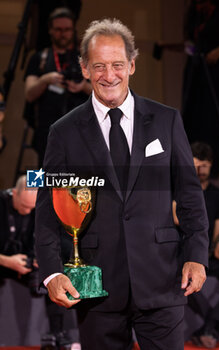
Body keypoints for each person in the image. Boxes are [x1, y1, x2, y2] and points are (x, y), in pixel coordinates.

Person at [35, 18, 209, 350]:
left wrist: (197, 255)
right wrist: (51, 272)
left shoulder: (166, 120)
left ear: (131, 64)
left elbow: (189, 195)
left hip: (163, 282)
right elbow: (47, 210)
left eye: (117, 64)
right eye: (98, 66)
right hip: (97, 288)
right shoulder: (63, 132)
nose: (109, 75)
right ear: (84, 69)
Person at [174, 142, 219, 348]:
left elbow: (217, 229)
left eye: (204, 165)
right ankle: (214, 327)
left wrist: (218, 247)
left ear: (211, 166)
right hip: (181, 252)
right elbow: (176, 219)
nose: (200, 170)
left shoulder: (217, 195)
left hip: (206, 254)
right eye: (196, 165)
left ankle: (210, 327)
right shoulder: (179, 187)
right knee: (182, 277)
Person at [25, 7, 92, 167]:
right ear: (50, 30)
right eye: (58, 29)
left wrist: (83, 86)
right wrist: (45, 80)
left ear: (73, 30)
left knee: (79, 187)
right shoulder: (39, 57)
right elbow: (29, 94)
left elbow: (105, 93)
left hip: (80, 132)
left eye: (67, 29)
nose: (63, 34)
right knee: (42, 180)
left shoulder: (85, 59)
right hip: (45, 132)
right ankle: (35, 193)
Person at [182, 0, 219, 177]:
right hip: (195, 69)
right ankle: (191, 169)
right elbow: (189, 41)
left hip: (215, 70)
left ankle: (212, 171)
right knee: (192, 119)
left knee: (212, 122)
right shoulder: (194, 12)